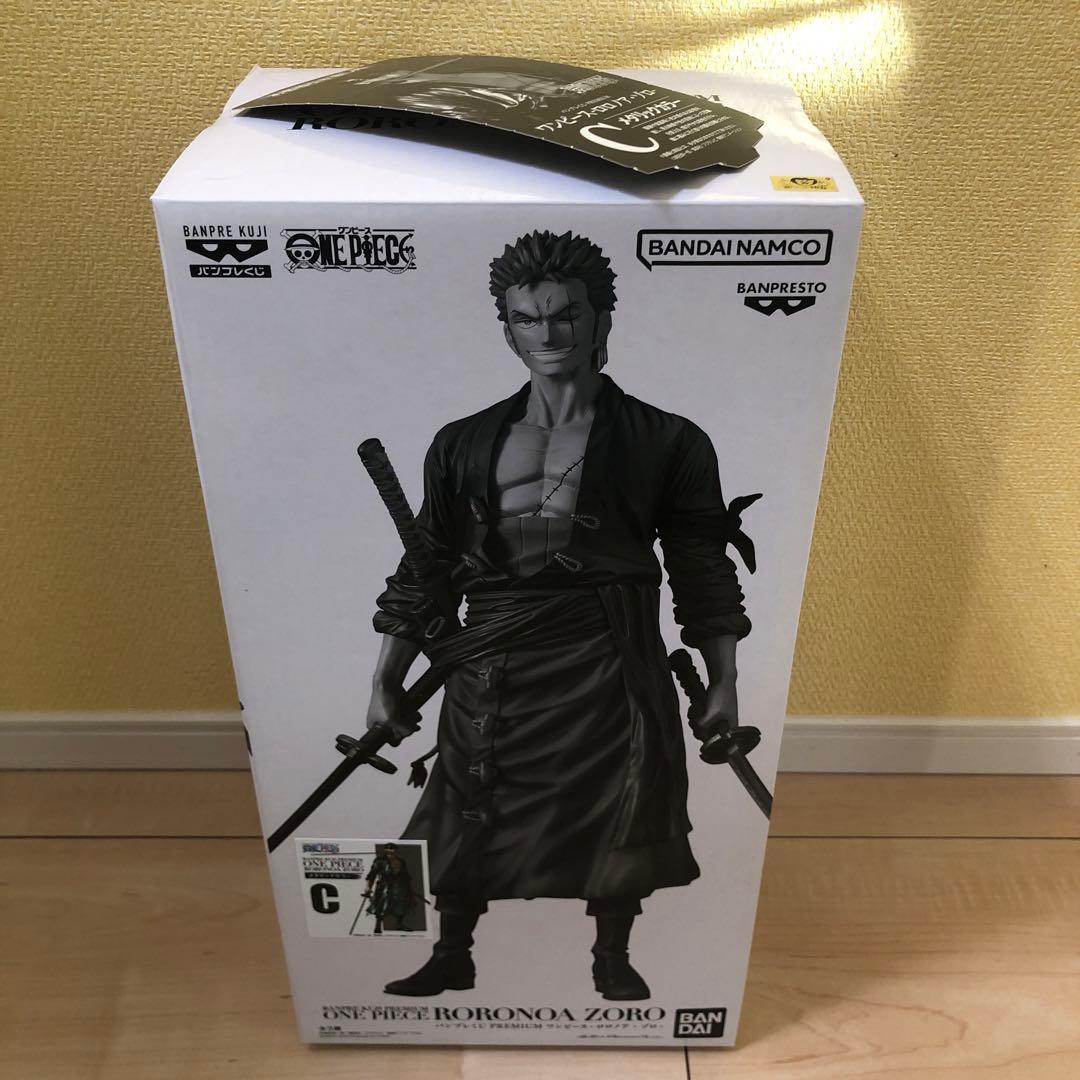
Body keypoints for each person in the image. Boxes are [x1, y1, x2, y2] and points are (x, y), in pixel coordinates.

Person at [366, 229, 757, 1000]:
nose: (547, 334)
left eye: (565, 315)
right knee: (466, 798)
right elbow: (425, 566)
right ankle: (451, 952)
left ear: (601, 317)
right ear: (506, 327)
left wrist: (724, 682)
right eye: (527, 318)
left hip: (608, 652)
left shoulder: (668, 440)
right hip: (490, 653)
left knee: (621, 799)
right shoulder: (462, 442)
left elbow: (703, 571)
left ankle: (611, 957)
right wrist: (384, 680)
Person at [363, 842, 416, 934]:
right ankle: (377, 926)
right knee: (381, 906)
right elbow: (372, 874)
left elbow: (406, 876)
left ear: (395, 851)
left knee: (401, 906)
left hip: (399, 887)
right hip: (384, 886)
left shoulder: (401, 861)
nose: (389, 854)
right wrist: (368, 887)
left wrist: (410, 888)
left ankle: (399, 924)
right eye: (387, 852)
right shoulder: (379, 861)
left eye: (392, 851)